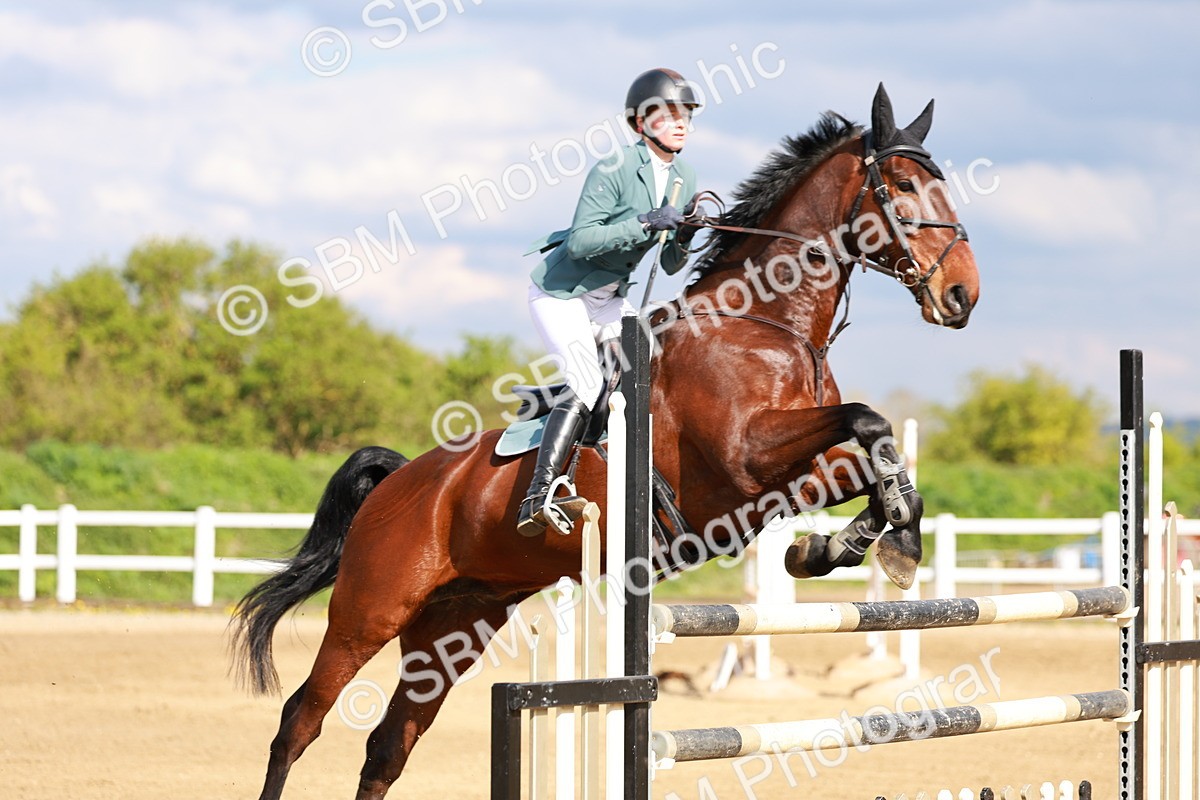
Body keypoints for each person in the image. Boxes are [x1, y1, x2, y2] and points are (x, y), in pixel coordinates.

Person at [516, 67, 701, 537]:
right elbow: (580, 242)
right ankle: (539, 495)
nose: (682, 122)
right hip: (563, 295)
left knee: (646, 370)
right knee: (585, 380)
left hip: (608, 299)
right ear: (641, 123)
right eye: (670, 114)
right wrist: (644, 221)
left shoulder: (684, 175)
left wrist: (684, 233)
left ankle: (627, 481)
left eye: (687, 114)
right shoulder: (615, 168)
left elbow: (674, 263)